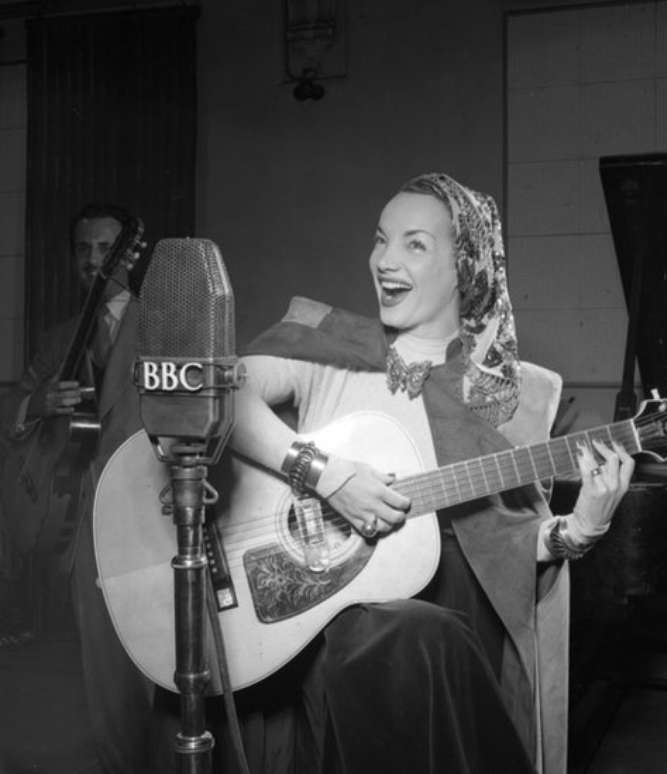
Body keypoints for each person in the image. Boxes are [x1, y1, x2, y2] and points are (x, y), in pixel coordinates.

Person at [148, 173, 634, 774]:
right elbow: (219, 397)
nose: (385, 260)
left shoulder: (517, 394)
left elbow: (505, 540)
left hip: (457, 611)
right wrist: (321, 473)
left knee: (421, 639)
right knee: (403, 639)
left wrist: (578, 529)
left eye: (414, 244)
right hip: (327, 608)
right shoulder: (332, 349)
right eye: (381, 240)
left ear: (466, 265)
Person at [2, 203, 153, 774]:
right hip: (72, 522)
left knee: (144, 655)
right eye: (83, 250)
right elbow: (9, 410)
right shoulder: (57, 338)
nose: (94, 261)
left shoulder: (162, 322)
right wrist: (34, 404)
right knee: (86, 660)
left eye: (105, 249)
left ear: (129, 255)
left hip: (142, 512)